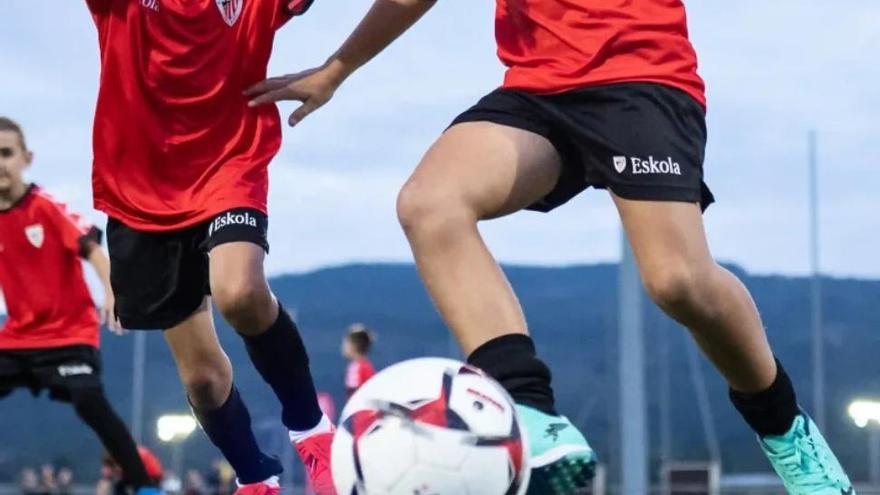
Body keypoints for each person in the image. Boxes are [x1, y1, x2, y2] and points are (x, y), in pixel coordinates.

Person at [245, 1, 856, 493]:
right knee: (429, 203)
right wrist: (336, 68)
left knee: (679, 282)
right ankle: (532, 416)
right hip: (538, 90)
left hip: (642, 80)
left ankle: (786, 432)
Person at [74, 2, 335, 493]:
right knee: (203, 380)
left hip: (229, 165)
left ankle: (314, 431)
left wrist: (338, 68)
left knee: (239, 293)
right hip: (140, 191)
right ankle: (257, 477)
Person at [0, 117, 158, 495]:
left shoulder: (47, 207)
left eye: (6, 153)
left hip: (69, 333)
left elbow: (92, 249)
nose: (0, 163)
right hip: (20, 337)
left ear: (27, 158)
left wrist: (112, 291)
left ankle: (146, 487)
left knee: (89, 400)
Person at [341, 324, 376, 398]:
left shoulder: (355, 368)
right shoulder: (368, 366)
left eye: (346, 343)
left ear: (353, 346)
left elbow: (354, 396)